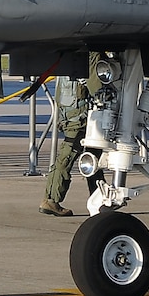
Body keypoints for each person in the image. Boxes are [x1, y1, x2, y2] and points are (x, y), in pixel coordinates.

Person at [41, 56, 101, 216]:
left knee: (89, 156)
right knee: (78, 156)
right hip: (80, 116)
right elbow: (97, 88)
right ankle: (52, 199)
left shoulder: (68, 54)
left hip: (69, 113)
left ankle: (99, 198)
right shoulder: (90, 55)